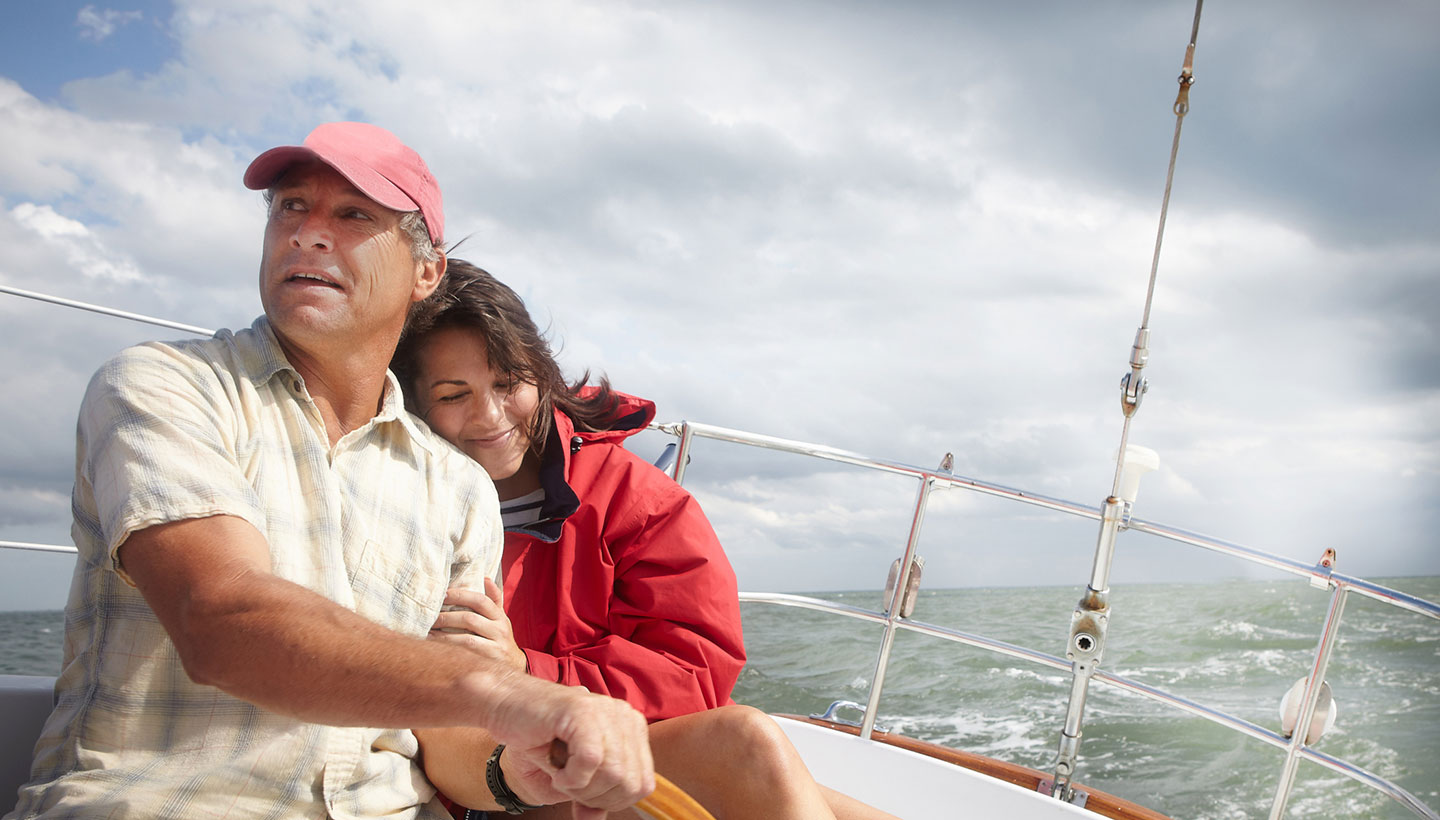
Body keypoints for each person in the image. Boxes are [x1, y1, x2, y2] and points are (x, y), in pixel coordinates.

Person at [5, 123, 652, 820]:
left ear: (426, 273)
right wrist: (505, 691)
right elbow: (219, 618)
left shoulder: (458, 486)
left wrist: (516, 775)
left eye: (352, 216)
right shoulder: (161, 386)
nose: (307, 234)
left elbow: (445, 743)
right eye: (290, 207)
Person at [392, 260, 898, 819]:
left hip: (597, 757)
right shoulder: (398, 506)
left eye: (508, 383)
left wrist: (529, 670)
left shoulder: (631, 497)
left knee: (764, 757)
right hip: (496, 783)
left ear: (540, 372)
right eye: (452, 394)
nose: (489, 415)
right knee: (751, 748)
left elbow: (695, 667)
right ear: (412, 402)